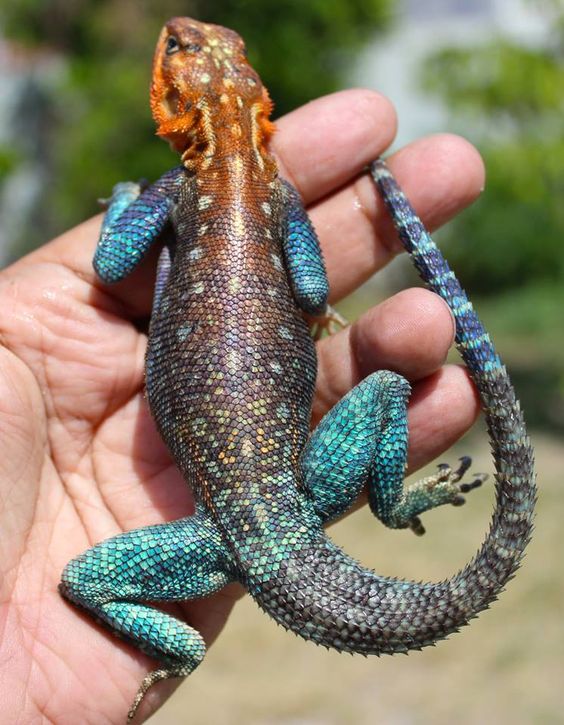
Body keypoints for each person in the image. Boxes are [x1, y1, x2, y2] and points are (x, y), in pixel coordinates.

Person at [0, 89, 484, 722]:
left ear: (179, 106)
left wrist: (124, 197)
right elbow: (312, 287)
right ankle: (391, 506)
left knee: (87, 582)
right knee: (389, 387)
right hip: (296, 495)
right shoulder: (278, 193)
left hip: (232, 526)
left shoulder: (177, 187)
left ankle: (177, 646)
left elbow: (113, 259)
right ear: (257, 106)